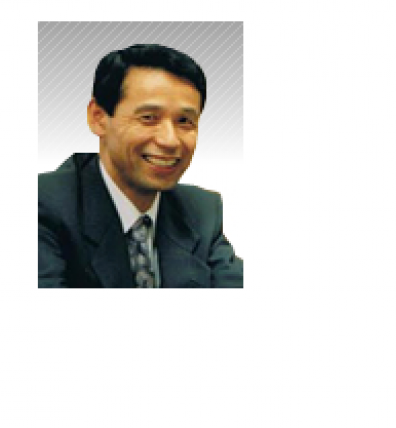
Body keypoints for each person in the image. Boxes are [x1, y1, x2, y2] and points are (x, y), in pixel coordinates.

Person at [38, 44, 243, 288]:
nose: (170, 140)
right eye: (148, 118)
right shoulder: (44, 207)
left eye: (184, 121)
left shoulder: (201, 211)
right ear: (98, 117)